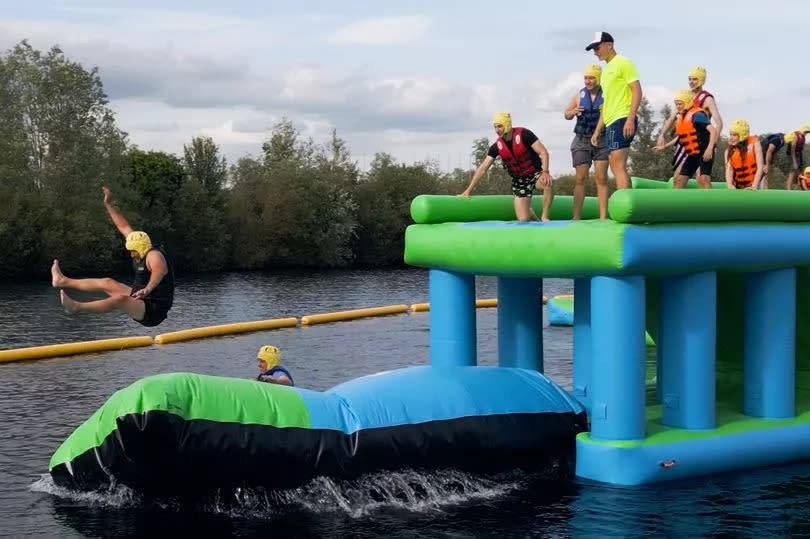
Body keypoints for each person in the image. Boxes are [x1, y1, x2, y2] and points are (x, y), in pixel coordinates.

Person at [51, 186, 175, 327]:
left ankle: (76, 306)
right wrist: (108, 204)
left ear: (140, 248)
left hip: (153, 310)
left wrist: (147, 289)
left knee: (120, 300)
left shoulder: (154, 255)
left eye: (132, 251)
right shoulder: (138, 243)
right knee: (107, 282)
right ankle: (62, 281)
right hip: (140, 297)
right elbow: (122, 226)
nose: (130, 254)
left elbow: (160, 271)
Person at [460, 112, 554, 222]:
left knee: (547, 182)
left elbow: (543, 152)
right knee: (523, 220)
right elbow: (483, 168)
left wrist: (545, 172)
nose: (497, 130)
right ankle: (530, 212)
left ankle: (545, 217)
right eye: (495, 127)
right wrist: (468, 190)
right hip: (519, 180)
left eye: (499, 126)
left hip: (535, 174)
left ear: (507, 125)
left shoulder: (525, 134)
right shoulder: (496, 147)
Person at [586, 31, 642, 191]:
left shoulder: (623, 63)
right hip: (611, 121)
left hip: (622, 118)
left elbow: (637, 90)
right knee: (614, 163)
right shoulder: (605, 72)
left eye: (597, 48)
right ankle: (626, 201)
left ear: (609, 45)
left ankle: (627, 205)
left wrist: (630, 118)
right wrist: (597, 131)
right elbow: (607, 103)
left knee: (618, 165)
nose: (595, 53)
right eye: (594, 50)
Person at [657, 67, 723, 185]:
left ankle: (708, 202)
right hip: (686, 142)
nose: (691, 82)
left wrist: (712, 146)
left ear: (701, 80)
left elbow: (719, 122)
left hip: (703, 142)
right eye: (690, 79)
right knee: (677, 179)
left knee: (701, 178)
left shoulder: (707, 99)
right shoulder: (685, 97)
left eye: (695, 79)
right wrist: (662, 135)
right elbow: (672, 118)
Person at [564, 64, 609, 219]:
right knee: (580, 178)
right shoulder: (579, 95)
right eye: (586, 78)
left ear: (598, 78)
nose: (588, 81)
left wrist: (596, 134)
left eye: (591, 78)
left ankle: (603, 217)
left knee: (601, 178)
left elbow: (604, 117)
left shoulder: (606, 95)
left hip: (601, 139)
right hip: (581, 140)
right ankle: (576, 216)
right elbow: (567, 114)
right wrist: (572, 112)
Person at [654, 89, 716, 188]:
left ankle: (712, 203)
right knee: (679, 180)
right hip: (693, 153)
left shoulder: (697, 115)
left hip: (705, 151)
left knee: (704, 179)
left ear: (687, 103)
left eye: (680, 104)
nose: (678, 107)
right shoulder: (682, 118)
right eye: (676, 104)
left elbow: (713, 130)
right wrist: (665, 146)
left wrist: (709, 149)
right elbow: (681, 137)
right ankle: (679, 203)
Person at [724, 120, 763, 190]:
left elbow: (760, 167)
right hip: (738, 186)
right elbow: (729, 170)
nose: (731, 138)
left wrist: (754, 186)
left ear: (742, 135)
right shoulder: (728, 151)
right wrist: (730, 185)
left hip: (755, 184)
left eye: (734, 135)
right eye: (730, 134)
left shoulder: (755, 144)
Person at [786, 125, 810, 190]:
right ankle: (788, 189)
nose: (806, 133)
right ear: (803, 129)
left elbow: (800, 149)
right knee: (792, 171)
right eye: (806, 131)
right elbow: (792, 150)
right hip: (792, 156)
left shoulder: (802, 137)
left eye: (807, 132)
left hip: (798, 155)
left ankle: (800, 188)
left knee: (800, 173)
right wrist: (794, 162)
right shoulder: (795, 136)